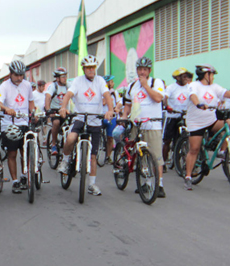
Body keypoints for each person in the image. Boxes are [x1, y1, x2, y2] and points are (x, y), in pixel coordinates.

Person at [57, 55, 115, 196]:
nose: (91, 70)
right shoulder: (78, 81)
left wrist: (110, 110)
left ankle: (92, 184)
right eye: (88, 68)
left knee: (93, 156)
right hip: (80, 117)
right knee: (70, 138)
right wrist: (63, 107)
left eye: (93, 67)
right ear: (84, 69)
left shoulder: (100, 81)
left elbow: (107, 96)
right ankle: (65, 161)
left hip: (95, 120)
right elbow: (68, 95)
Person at [182, 65, 230, 191]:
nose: (213, 77)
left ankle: (222, 151)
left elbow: (226, 93)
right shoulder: (194, 85)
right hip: (196, 122)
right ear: (206, 75)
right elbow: (193, 96)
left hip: (211, 120)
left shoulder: (214, 87)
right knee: (194, 149)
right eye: (212, 74)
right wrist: (198, 104)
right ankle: (188, 177)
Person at [121, 57, 167, 197]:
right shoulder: (132, 86)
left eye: (145, 70)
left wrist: (146, 85)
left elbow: (158, 98)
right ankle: (146, 183)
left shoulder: (156, 82)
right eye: (140, 69)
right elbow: (128, 104)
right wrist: (124, 116)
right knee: (140, 155)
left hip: (153, 125)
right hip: (137, 124)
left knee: (156, 156)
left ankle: (159, 185)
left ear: (149, 71)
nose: (142, 72)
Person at [0, 60, 35, 193]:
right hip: (9, 124)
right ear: (10, 74)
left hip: (24, 122)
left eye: (21, 75)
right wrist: (6, 108)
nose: (19, 78)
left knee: (25, 152)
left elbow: (30, 101)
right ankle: (14, 181)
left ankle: (24, 176)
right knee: (12, 154)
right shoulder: (4, 86)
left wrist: (34, 112)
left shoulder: (27, 85)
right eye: (16, 75)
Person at [163, 68, 193, 167]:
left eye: (186, 76)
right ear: (177, 77)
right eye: (183, 76)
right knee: (167, 141)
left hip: (184, 118)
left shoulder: (189, 88)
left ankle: (182, 162)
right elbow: (165, 98)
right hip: (172, 117)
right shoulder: (171, 87)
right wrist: (167, 106)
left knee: (184, 139)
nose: (185, 78)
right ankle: (163, 162)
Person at [45, 67, 69, 156]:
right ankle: (54, 144)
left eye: (66, 76)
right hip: (55, 110)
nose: (65, 78)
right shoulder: (53, 86)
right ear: (57, 78)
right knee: (56, 123)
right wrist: (48, 111)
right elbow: (47, 98)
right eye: (63, 76)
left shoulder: (68, 85)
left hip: (65, 110)